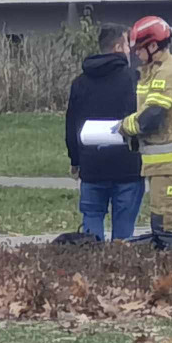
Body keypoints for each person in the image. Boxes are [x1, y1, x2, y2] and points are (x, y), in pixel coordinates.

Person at [120, 16, 172, 237]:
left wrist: (125, 126)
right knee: (165, 222)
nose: (136, 53)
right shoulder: (153, 71)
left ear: (154, 45)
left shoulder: (168, 71)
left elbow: (152, 116)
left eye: (140, 48)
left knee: (170, 226)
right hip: (162, 165)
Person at [65, 23, 145, 241]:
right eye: (128, 46)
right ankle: (118, 269)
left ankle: (92, 268)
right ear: (119, 46)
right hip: (127, 167)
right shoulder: (134, 80)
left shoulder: (80, 83)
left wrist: (75, 160)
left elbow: (71, 124)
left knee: (91, 224)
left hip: (92, 167)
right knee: (123, 235)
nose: (130, 51)